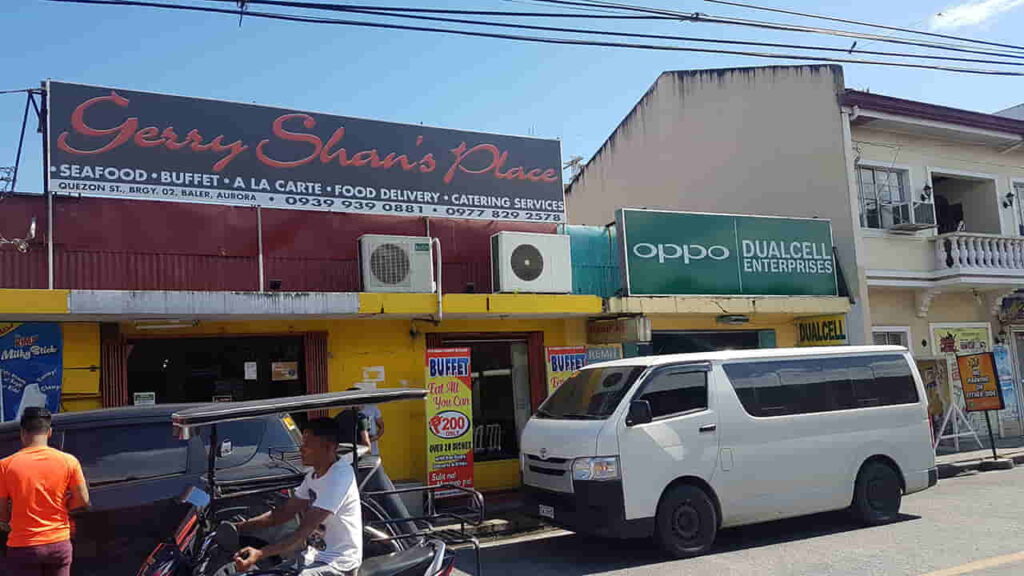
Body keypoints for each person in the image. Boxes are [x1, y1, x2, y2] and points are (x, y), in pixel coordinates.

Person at [233, 418, 362, 576]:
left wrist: (260, 553)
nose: (301, 449)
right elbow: (282, 513)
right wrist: (240, 527)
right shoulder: (313, 476)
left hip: (338, 564)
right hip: (312, 556)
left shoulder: (339, 477)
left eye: (307, 445)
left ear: (328, 447)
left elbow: (303, 531)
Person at [0, 407, 91, 576]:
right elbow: (83, 499)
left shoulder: (6, 465)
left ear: (23, 432)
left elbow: (2, 511)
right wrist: (65, 506)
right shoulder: (69, 461)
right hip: (58, 543)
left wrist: (6, 523)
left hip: (23, 546)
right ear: (49, 432)